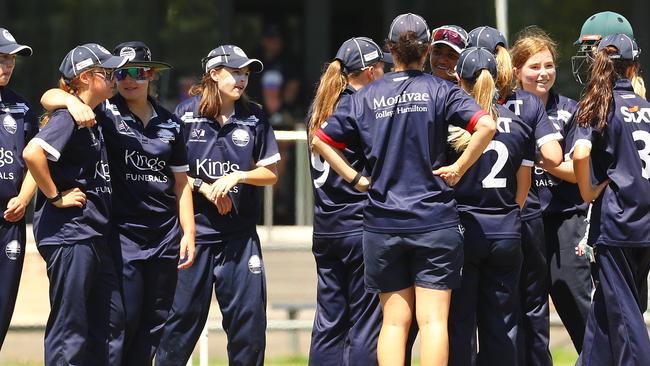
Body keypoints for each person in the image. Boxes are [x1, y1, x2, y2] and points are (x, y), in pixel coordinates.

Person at [313, 13, 498, 365]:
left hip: (382, 223)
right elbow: (486, 125)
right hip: (434, 220)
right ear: (427, 50)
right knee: (432, 322)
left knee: (394, 323)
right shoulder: (441, 89)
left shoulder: (366, 96)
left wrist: (357, 180)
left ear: (389, 50)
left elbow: (320, 140)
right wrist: (459, 167)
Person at [40, 41, 196, 365]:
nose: (128, 79)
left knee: (155, 323)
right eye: (120, 72)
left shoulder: (171, 124)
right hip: (121, 236)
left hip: (165, 237)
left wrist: (189, 234)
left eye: (138, 72)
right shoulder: (103, 110)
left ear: (151, 76)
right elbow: (49, 98)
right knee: (118, 323)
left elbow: (181, 184)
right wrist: (71, 100)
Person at [155, 44, 280, 366]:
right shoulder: (183, 114)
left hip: (240, 238)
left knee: (249, 330)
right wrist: (204, 187)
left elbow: (270, 173)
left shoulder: (254, 116)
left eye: (246, 74)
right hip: (194, 236)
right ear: (214, 73)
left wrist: (239, 176)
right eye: (235, 72)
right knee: (179, 326)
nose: (241, 80)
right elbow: (167, 174)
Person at [23, 43, 128, 365]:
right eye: (107, 73)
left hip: (92, 233)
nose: (115, 79)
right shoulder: (68, 117)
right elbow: (32, 153)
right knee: (71, 325)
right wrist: (55, 195)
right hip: (71, 234)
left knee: (109, 321)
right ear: (84, 78)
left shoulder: (93, 113)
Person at [446, 46, 540, 366]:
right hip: (506, 231)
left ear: (459, 80)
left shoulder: (451, 126)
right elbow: (523, 189)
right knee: (502, 325)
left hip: (463, 230)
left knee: (459, 324)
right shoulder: (519, 124)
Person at [510, 26, 594, 361]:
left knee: (576, 301)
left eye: (548, 65)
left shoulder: (570, 109)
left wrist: (540, 156)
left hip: (564, 219)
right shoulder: (505, 110)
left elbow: (577, 172)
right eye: (534, 66)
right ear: (517, 71)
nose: (543, 73)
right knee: (526, 312)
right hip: (522, 220)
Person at [307, 37, 388, 365]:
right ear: (370, 71)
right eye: (382, 67)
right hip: (358, 223)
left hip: (325, 226)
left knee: (329, 322)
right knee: (366, 325)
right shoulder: (361, 105)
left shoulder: (320, 104)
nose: (386, 72)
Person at [572, 33, 650, 366]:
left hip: (617, 223)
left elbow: (580, 153)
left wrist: (588, 192)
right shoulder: (647, 107)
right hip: (645, 223)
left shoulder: (599, 104)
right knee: (607, 313)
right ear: (633, 69)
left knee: (627, 317)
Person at [0, 28, 38, 349]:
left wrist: (23, 199)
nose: (7, 66)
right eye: (0, 58)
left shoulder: (21, 108)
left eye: (10, 60)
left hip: (9, 222)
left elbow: (33, 162)